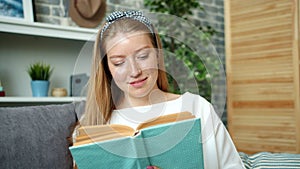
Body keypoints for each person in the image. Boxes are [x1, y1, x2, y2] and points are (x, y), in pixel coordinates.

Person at [78, 10, 245, 169]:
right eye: (119, 63)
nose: (135, 71)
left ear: (157, 55)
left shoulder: (197, 107)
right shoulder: (95, 122)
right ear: (107, 68)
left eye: (143, 56)